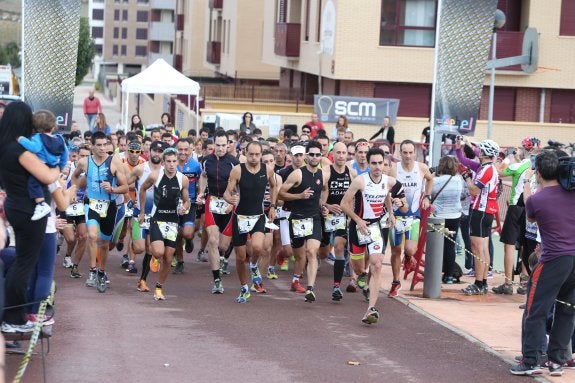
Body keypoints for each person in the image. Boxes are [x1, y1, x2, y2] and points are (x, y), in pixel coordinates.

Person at [510, 150, 575, 376]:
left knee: (535, 310)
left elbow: (531, 217)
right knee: (567, 310)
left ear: (538, 172)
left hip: (553, 259)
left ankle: (532, 360)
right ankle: (557, 360)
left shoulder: (537, 200)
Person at [0, 101, 61, 332]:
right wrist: (57, 168)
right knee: (25, 264)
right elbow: (46, 176)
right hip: (29, 211)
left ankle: (13, 315)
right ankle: (14, 318)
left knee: (24, 263)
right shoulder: (20, 151)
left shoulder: (5, 147)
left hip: (18, 207)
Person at [341, 147, 397, 324]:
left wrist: (391, 213)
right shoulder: (360, 181)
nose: (377, 167)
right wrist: (358, 220)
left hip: (376, 228)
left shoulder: (389, 181)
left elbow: (386, 195)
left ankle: (371, 309)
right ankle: (362, 278)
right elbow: (344, 204)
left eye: (380, 163)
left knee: (377, 264)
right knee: (358, 268)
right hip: (358, 227)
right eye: (374, 163)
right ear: (368, 164)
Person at [71, 131, 128, 293]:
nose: (102, 148)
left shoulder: (114, 162)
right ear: (92, 146)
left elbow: (125, 187)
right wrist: (75, 191)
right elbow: (75, 178)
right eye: (99, 145)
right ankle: (91, 271)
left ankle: (101, 272)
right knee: (92, 235)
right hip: (92, 204)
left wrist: (113, 189)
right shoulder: (84, 162)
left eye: (105, 145)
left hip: (109, 206)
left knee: (104, 244)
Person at [224, 141, 278, 303]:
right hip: (240, 217)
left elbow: (274, 187)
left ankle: (254, 266)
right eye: (251, 154)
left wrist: (273, 206)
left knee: (257, 247)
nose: (254, 157)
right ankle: (244, 288)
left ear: (261, 155)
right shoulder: (238, 170)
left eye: (257, 154)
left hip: (258, 216)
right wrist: (230, 199)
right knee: (240, 257)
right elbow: (227, 193)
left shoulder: (267, 170)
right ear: (245, 154)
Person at [278, 140, 329, 302]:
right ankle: (295, 279)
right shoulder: (298, 174)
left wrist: (323, 205)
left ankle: (310, 288)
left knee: (311, 252)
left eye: (317, 155)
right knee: (299, 256)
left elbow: (324, 189)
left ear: (321, 156)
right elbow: (281, 193)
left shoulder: (324, 174)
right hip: (297, 219)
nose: (314, 157)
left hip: (314, 218)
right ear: (307, 156)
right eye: (311, 154)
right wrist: (299, 196)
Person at [137, 148, 190, 300]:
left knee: (168, 257)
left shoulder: (182, 179)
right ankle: (154, 257)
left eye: (174, 161)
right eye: (168, 161)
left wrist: (184, 208)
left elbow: (187, 201)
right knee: (159, 252)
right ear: (163, 162)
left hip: (173, 222)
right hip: (157, 219)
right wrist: (142, 212)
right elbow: (142, 189)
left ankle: (159, 287)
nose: (172, 165)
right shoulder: (155, 175)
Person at [197, 129, 240, 294]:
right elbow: (203, 175)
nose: (221, 148)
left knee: (223, 245)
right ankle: (216, 281)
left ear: (228, 144)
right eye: (218, 145)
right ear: (213, 145)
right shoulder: (206, 160)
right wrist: (202, 192)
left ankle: (223, 258)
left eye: (224, 145)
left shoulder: (233, 162)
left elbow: (239, 185)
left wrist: (234, 200)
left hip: (229, 205)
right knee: (213, 241)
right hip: (212, 202)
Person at [389, 139, 433, 297]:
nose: (408, 156)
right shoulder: (394, 169)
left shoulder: (421, 168)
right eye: (405, 153)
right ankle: (395, 282)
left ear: (415, 153)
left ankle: (408, 257)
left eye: (410, 152)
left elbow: (430, 179)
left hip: (413, 215)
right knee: (395, 251)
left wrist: (427, 197)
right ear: (400, 154)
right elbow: (387, 188)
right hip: (395, 216)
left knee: (410, 249)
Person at [459, 139, 500, 295]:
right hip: (485, 211)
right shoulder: (488, 168)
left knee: (477, 248)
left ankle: (478, 283)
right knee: (483, 248)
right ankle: (482, 283)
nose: (478, 153)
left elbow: (474, 190)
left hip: (480, 211)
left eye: (480, 151)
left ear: (484, 153)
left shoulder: (487, 170)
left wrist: (466, 176)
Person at [493, 138, 533, 295]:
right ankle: (524, 282)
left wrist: (503, 158)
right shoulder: (534, 166)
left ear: (522, 150)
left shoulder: (517, 165)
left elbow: (498, 173)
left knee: (509, 244)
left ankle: (508, 283)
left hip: (516, 207)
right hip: (530, 207)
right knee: (525, 243)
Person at [18, 110, 69, 221]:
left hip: (42, 166)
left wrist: (21, 139)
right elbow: (65, 153)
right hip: (54, 166)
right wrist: (60, 166)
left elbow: (34, 148)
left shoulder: (38, 137)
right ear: (53, 126)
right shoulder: (59, 139)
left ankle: (41, 204)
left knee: (33, 183)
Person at [320, 142, 356, 301]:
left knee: (339, 247)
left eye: (344, 153)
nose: (341, 156)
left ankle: (336, 286)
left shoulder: (351, 173)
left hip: (343, 216)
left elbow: (356, 197)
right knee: (323, 253)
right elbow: (316, 197)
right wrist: (326, 206)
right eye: (338, 153)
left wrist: (351, 213)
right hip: (326, 215)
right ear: (332, 154)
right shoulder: (326, 172)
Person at [430, 156, 464, 284]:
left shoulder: (435, 181)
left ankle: (434, 272)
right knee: (450, 246)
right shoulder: (458, 180)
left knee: (435, 245)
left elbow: (428, 192)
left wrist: (432, 175)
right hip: (454, 216)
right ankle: (449, 275)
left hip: (438, 216)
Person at [173, 138, 201, 274]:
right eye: (180, 149)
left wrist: (200, 194)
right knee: (177, 234)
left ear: (191, 150)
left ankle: (189, 240)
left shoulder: (196, 166)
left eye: (186, 149)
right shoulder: (171, 164)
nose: (183, 152)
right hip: (173, 204)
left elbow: (202, 181)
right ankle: (180, 261)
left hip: (190, 203)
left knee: (187, 233)